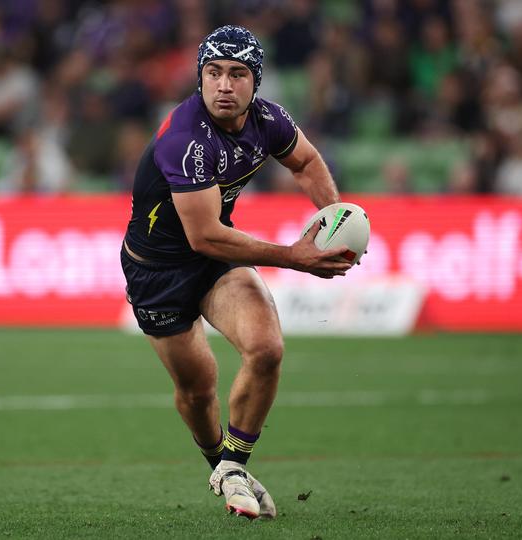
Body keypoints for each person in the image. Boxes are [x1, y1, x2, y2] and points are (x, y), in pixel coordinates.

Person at [120, 25, 353, 519]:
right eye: (214, 72)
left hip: (215, 259)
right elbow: (202, 234)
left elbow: (307, 162)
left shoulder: (268, 120)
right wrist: (294, 256)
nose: (224, 84)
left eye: (237, 74)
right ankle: (223, 468)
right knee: (197, 388)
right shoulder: (186, 139)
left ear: (256, 82)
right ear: (200, 78)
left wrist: (335, 221)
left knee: (265, 348)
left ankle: (233, 467)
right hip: (158, 272)